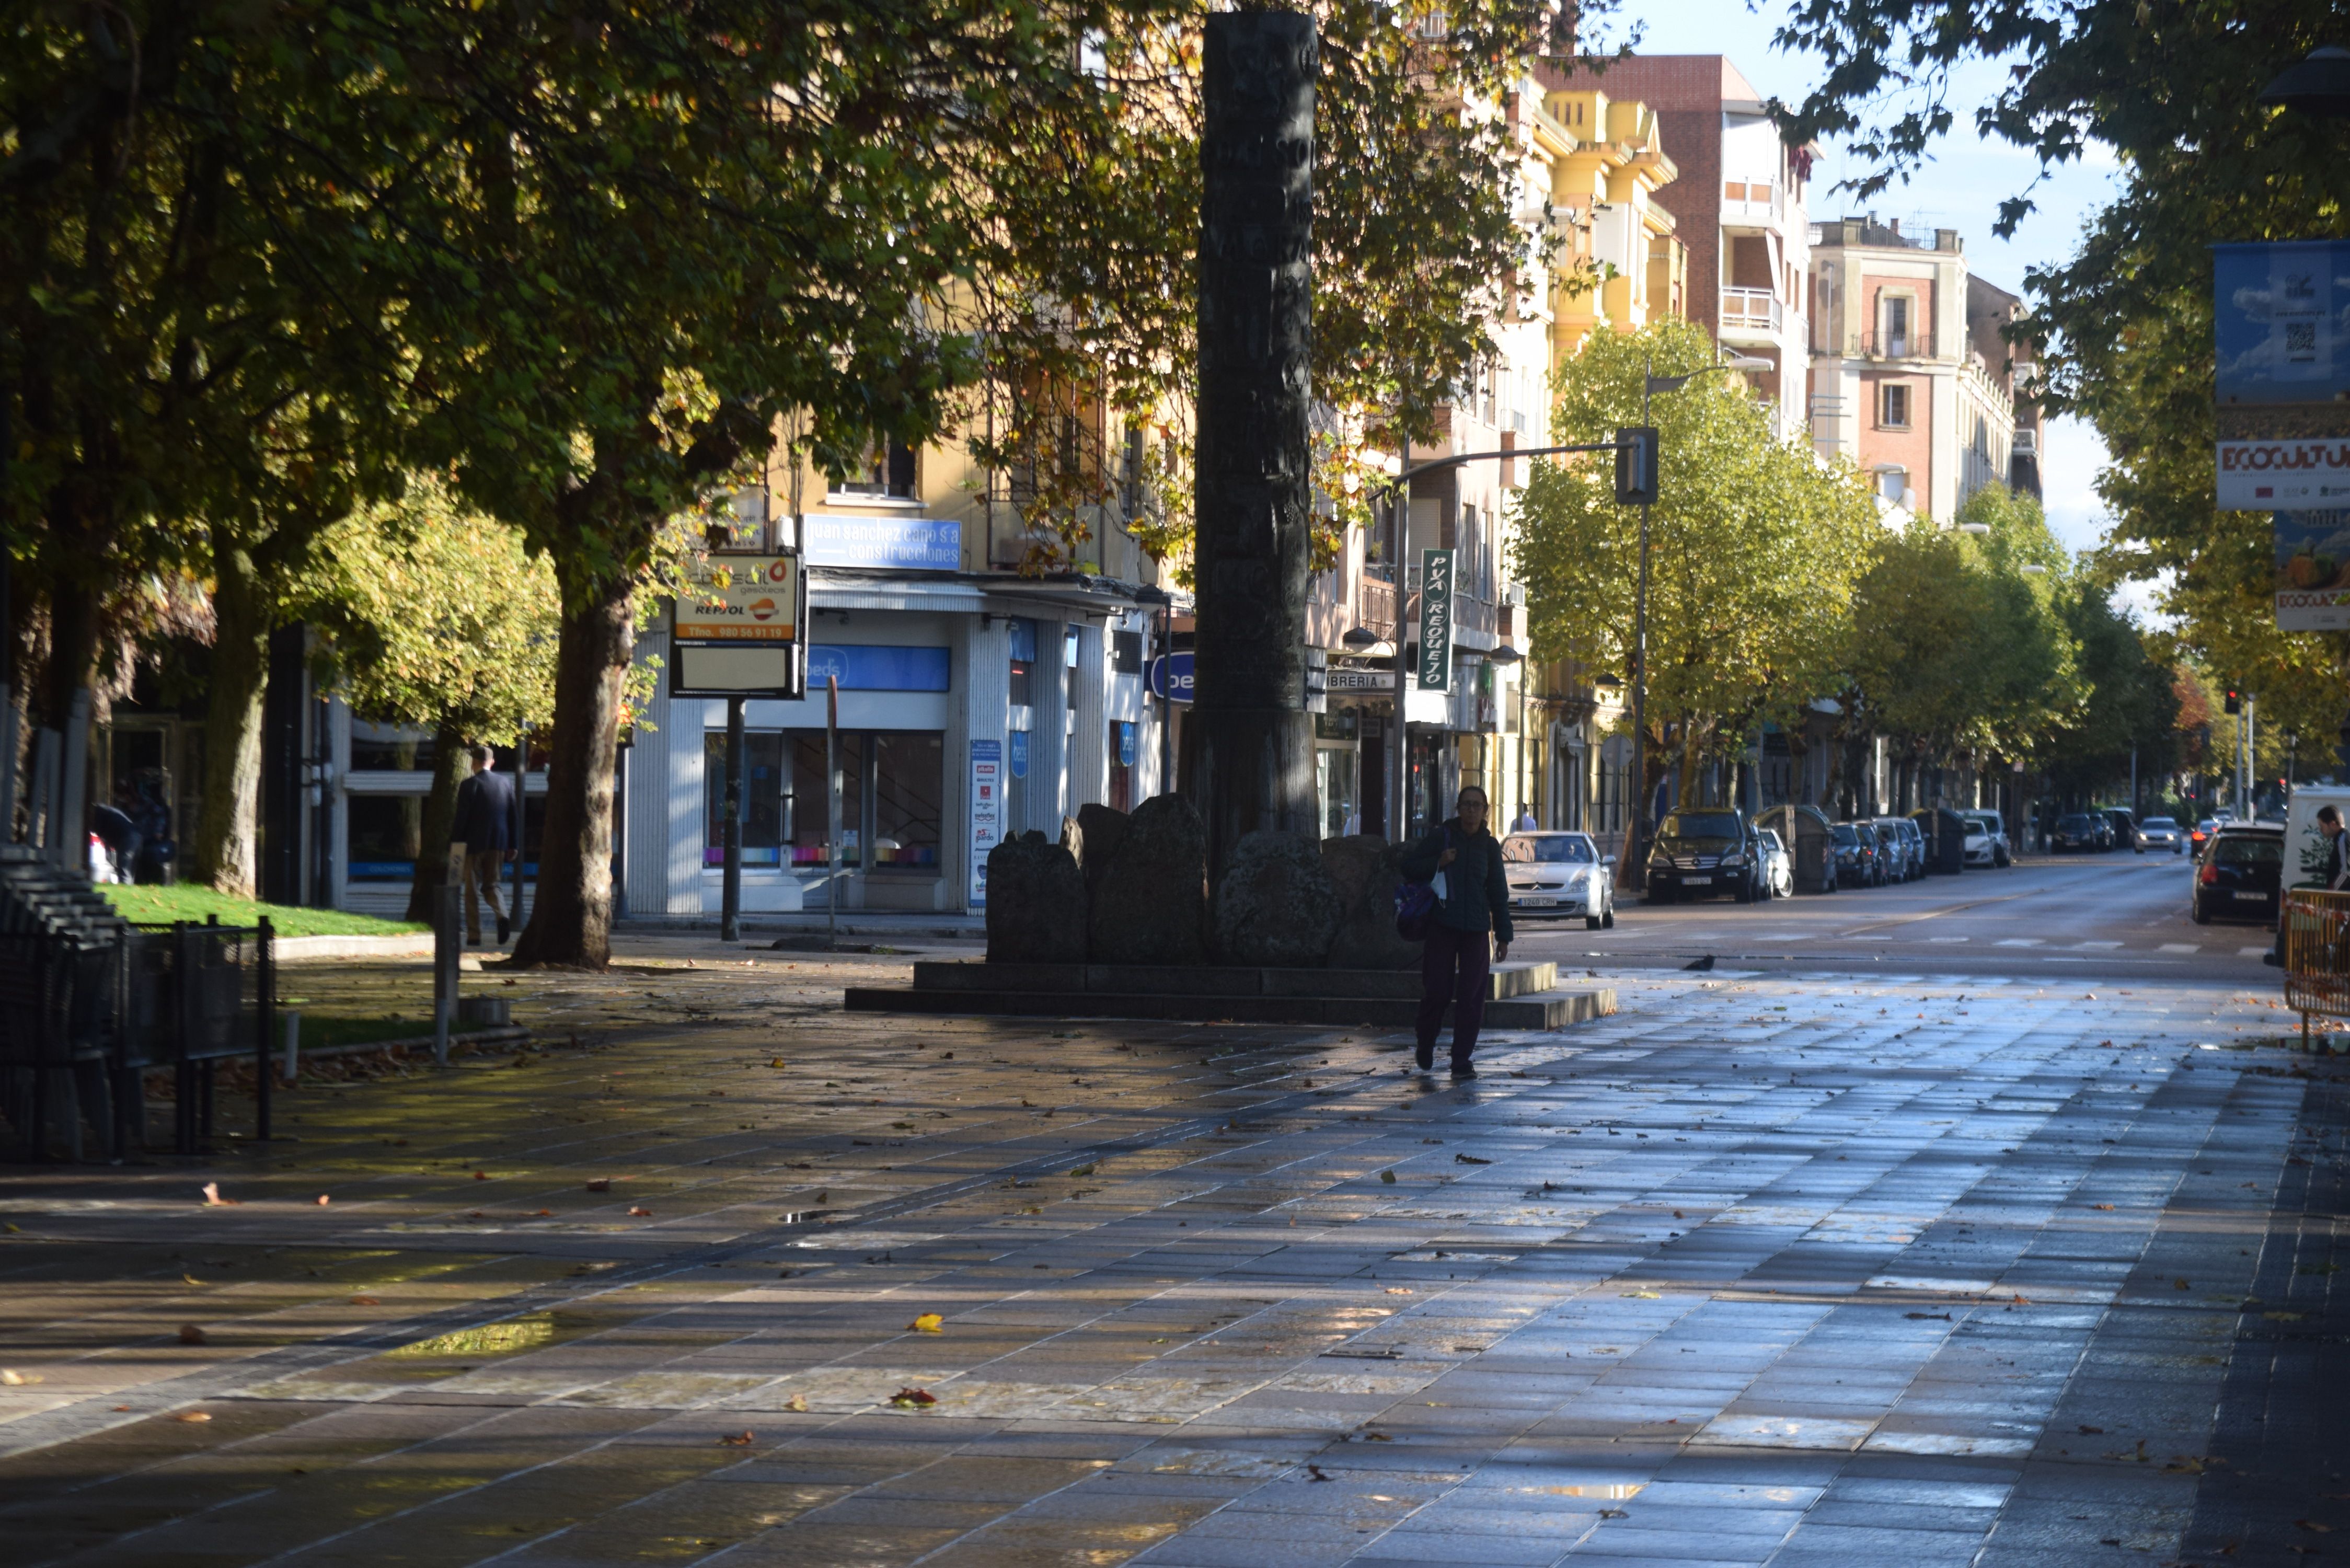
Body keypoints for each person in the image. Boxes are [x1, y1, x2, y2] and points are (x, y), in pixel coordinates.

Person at [1398, 783, 1513, 1079]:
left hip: (1476, 930)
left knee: (1472, 996)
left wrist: (1503, 935)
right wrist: (1439, 861)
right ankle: (1426, 1043)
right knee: (1437, 991)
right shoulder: (1441, 837)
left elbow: (1498, 892)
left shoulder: (1489, 847)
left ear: (1486, 812)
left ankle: (1461, 1059)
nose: (1472, 810)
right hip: (1443, 926)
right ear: (1458, 809)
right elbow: (1408, 866)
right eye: (1466, 805)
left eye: (1477, 805)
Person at [451, 742, 517, 945]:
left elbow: (462, 817)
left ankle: (474, 935)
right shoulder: (506, 783)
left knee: (471, 891)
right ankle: (502, 915)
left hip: (473, 844)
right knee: (493, 884)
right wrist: (513, 844)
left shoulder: (469, 785)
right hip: (498, 843)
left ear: (475, 763)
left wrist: (454, 843)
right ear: (492, 762)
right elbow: (512, 816)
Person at [2266, 803, 2345, 967]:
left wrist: (2333, 892)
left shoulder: (2344, 839)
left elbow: (2346, 870)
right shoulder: (2341, 839)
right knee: (2332, 935)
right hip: (2341, 899)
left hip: (2341, 899)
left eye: (2322, 826)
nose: (2321, 831)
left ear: (2333, 824)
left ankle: (2326, 971)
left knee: (2329, 934)